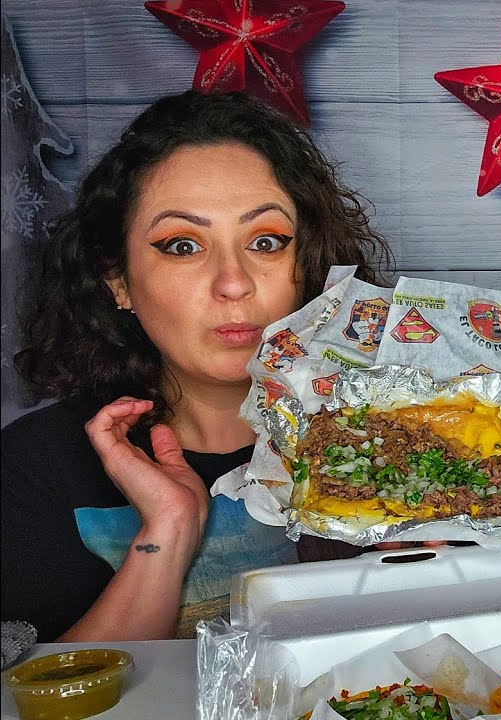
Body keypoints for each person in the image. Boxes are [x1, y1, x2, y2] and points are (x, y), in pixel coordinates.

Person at [0, 91, 391, 642]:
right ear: (117, 280)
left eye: (266, 242)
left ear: (307, 267)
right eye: (182, 245)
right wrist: (168, 530)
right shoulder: (32, 468)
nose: (234, 283)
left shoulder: (399, 437)